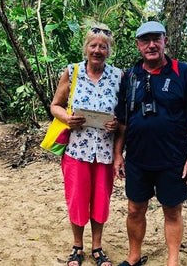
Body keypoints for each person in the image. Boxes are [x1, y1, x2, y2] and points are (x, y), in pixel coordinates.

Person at [114, 21, 187, 266]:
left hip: (173, 158)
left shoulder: (182, 72)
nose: (152, 45)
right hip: (137, 157)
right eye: (145, 40)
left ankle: (173, 261)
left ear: (165, 40)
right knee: (135, 209)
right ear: (138, 45)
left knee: (172, 210)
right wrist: (118, 154)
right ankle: (134, 256)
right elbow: (122, 121)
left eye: (156, 39)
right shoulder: (130, 76)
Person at [50, 24, 121, 266]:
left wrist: (117, 124)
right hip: (76, 150)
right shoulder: (73, 72)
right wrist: (67, 119)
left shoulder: (118, 76)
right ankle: (77, 246)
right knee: (77, 199)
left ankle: (98, 247)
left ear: (109, 51)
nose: (98, 50)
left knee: (101, 200)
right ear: (86, 48)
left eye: (103, 46)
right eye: (93, 45)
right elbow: (55, 105)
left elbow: (123, 114)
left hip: (104, 151)